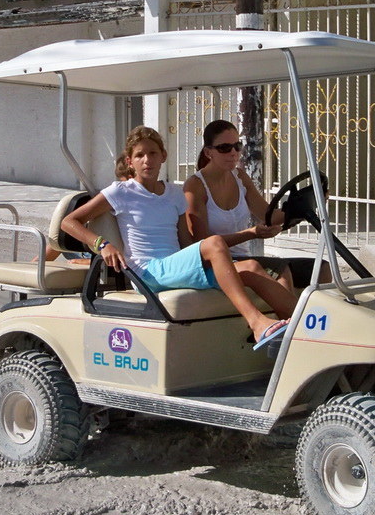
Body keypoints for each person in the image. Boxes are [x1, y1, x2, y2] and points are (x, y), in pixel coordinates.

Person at [61, 126, 297, 349]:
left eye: (153, 153)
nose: (147, 160)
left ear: (163, 156)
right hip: (147, 272)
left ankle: (302, 331)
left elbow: (187, 243)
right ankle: (256, 323)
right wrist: (102, 244)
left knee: (251, 267)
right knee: (214, 243)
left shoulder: (175, 193)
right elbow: (69, 222)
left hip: (175, 268)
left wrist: (218, 261)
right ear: (129, 162)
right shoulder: (120, 192)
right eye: (140, 155)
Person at [186, 119, 330, 290]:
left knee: (322, 268)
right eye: (225, 148)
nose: (233, 153)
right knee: (280, 270)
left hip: (245, 257)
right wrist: (251, 234)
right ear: (208, 152)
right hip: (218, 264)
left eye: (237, 146)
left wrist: (307, 204)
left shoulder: (240, 177)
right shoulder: (195, 186)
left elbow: (269, 216)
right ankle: (287, 309)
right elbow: (202, 244)